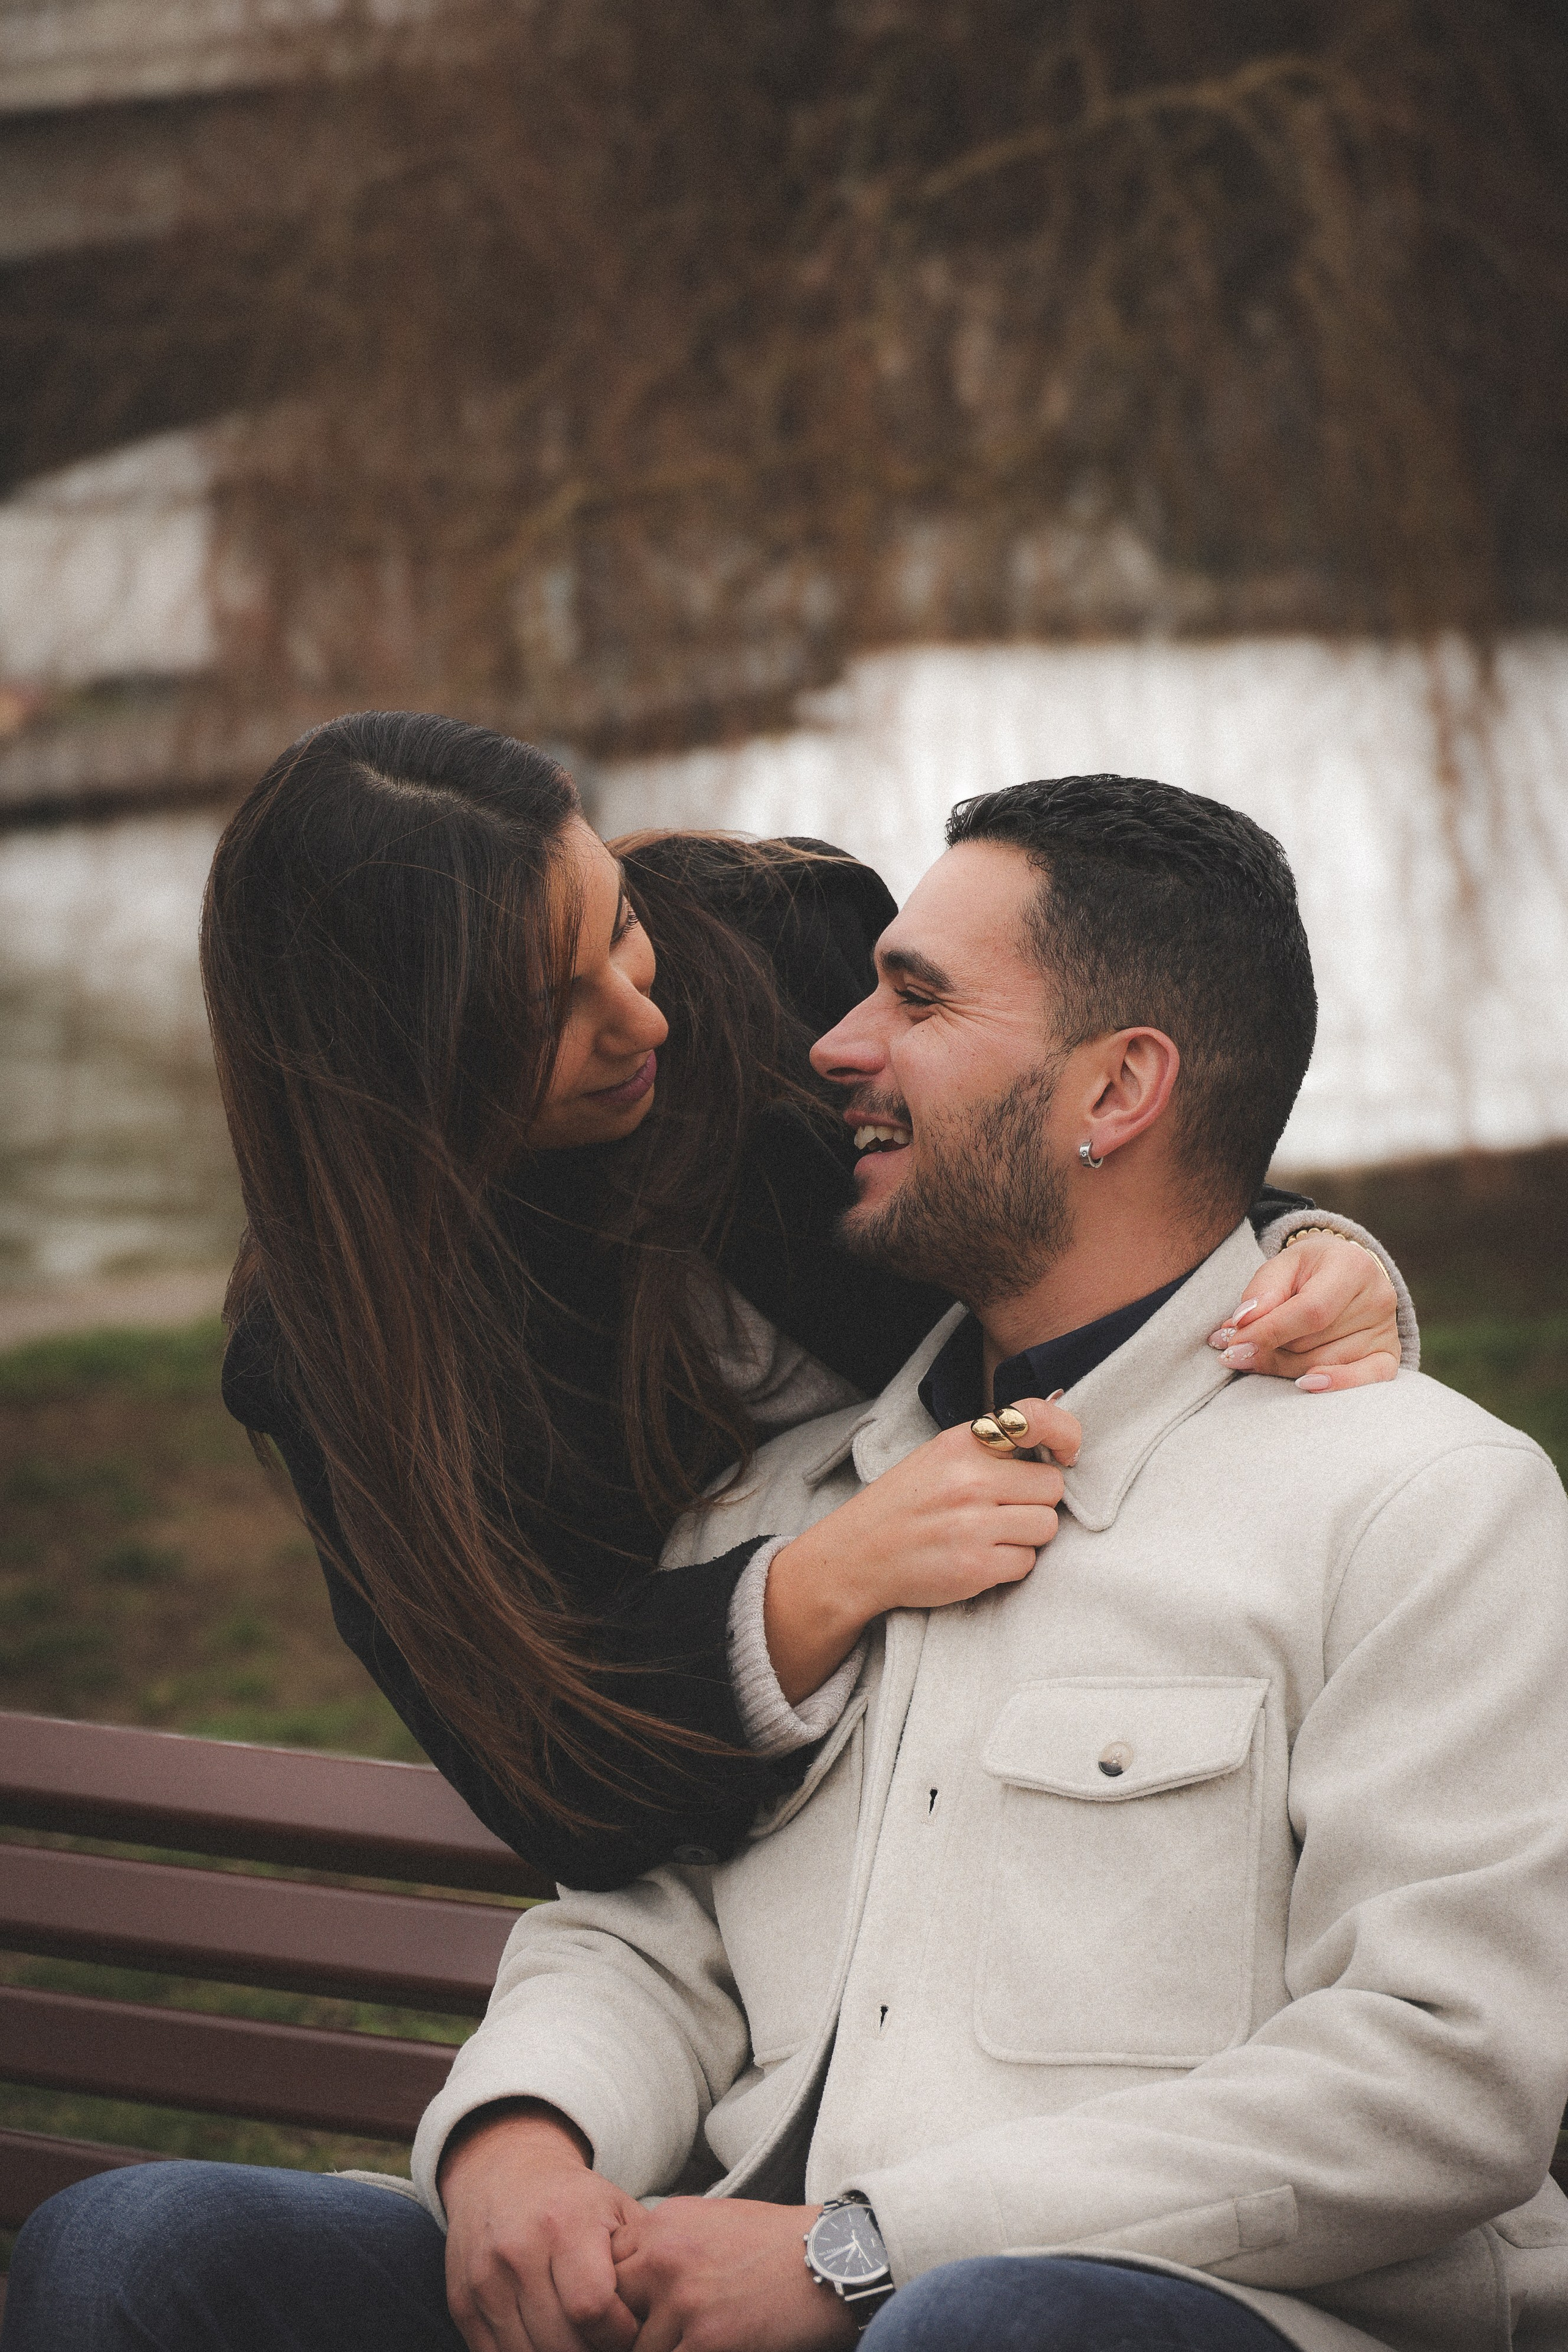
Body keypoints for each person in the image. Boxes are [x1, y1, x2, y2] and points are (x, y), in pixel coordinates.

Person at [9, 772, 1562, 2352]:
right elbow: (639, 1909)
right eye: (559, 1006)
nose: (826, 1047)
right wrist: (519, 2138)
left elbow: (1442, 2069)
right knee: (139, 2251)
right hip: (706, 2282)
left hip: (1162, 2310)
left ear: (1113, 1095)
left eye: (914, 995)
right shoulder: (775, 1513)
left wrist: (856, 2254)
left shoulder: (1421, 1508)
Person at [203, 713, 1408, 1890]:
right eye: (542, 1012)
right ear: (387, 1064)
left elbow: (1050, 1157)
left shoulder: (773, 939)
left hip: (1124, 1661)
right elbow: (544, 1765)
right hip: (814, 1861)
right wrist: (825, 1578)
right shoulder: (336, 1347)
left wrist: (1294, 1249)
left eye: (616, 928)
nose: (643, 1016)